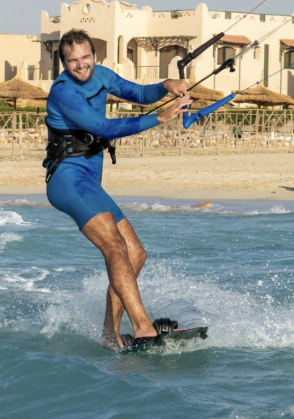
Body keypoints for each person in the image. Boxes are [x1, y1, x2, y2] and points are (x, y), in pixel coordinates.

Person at [44, 28, 192, 349]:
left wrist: (167, 85)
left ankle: (109, 336)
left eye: (86, 57)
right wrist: (161, 118)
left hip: (89, 183)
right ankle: (142, 326)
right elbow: (102, 127)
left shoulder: (102, 75)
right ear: (64, 64)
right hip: (67, 181)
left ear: (95, 56)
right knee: (114, 246)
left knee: (135, 254)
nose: (81, 65)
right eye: (73, 61)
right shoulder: (63, 92)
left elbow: (139, 94)